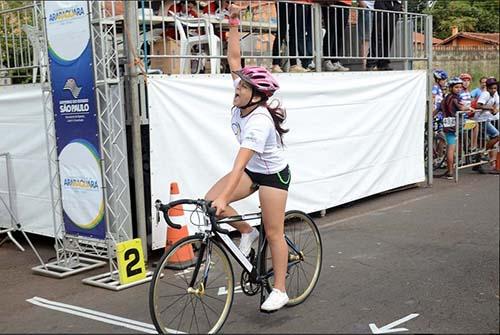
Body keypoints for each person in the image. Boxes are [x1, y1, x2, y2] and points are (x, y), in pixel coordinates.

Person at [205, 4, 291, 312]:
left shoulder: (259, 120)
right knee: (211, 200)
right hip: (253, 170)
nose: (236, 88)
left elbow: (239, 163)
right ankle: (246, 231)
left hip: (272, 175)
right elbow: (233, 59)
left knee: (274, 231)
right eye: (238, 84)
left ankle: (280, 289)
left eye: (242, 86)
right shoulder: (243, 101)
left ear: (256, 95)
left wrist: (225, 197)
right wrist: (234, 21)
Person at [271, 1, 313, 73]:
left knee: (295, 34)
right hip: (284, 2)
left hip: (298, 3)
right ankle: (275, 64)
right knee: (281, 32)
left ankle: (293, 65)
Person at [440, 77, 469, 180]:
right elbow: (461, 108)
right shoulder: (454, 98)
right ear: (451, 88)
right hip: (454, 124)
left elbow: (438, 109)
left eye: (460, 87)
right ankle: (451, 171)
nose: (459, 89)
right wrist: (468, 108)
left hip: (447, 124)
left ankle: (450, 170)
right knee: (451, 148)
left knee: (450, 146)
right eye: (456, 87)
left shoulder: (445, 98)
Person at [366, 0, 402, 71]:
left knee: (389, 35)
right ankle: (372, 62)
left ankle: (383, 63)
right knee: (378, 34)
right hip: (382, 2)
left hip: (395, 4)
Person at [475, 77, 499, 172]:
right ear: (488, 88)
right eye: (491, 88)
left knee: (483, 141)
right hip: (481, 119)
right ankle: (483, 152)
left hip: (488, 119)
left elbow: (495, 107)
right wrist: (490, 108)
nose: (493, 90)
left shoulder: (495, 95)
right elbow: (478, 105)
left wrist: (495, 110)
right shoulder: (485, 94)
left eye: (495, 88)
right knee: (496, 135)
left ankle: (477, 163)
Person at [320, 0, 351, 71]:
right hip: (331, 2)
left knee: (340, 32)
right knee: (331, 30)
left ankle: (335, 61)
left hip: (345, 3)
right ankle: (327, 60)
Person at [357, 0, 374, 70]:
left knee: (372, 38)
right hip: (367, 7)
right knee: (365, 38)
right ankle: (365, 64)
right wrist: (361, 2)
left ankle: (370, 63)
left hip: (375, 8)